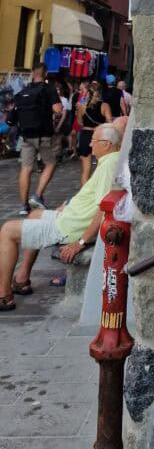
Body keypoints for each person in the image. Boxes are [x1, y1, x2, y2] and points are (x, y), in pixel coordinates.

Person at [0, 122, 121, 311]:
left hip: (69, 228)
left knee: (7, 230)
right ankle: (22, 278)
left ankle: (3, 294)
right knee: (35, 214)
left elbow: (103, 209)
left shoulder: (108, 165)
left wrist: (80, 243)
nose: (90, 145)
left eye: (94, 140)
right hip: (68, 219)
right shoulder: (110, 161)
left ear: (106, 143)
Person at [10, 63, 63, 217]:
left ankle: (23, 205)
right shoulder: (49, 89)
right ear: (45, 73)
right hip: (44, 134)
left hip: (26, 135)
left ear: (33, 73)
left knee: (26, 168)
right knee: (50, 163)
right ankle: (38, 195)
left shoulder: (23, 91)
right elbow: (57, 109)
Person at [76, 82, 112, 186]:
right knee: (100, 167)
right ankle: (98, 191)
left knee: (85, 169)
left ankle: (84, 194)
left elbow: (79, 123)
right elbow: (110, 122)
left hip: (85, 135)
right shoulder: (105, 106)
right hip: (99, 136)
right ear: (100, 92)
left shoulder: (82, 106)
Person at [70, 80, 89, 157]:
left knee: (81, 134)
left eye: (81, 83)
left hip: (83, 117)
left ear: (84, 85)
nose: (79, 85)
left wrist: (79, 105)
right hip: (77, 116)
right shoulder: (80, 93)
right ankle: (75, 151)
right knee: (73, 134)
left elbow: (85, 104)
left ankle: (81, 151)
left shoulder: (87, 94)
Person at [53, 81, 72, 159]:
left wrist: (59, 125)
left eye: (58, 90)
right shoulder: (52, 99)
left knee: (58, 139)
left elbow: (64, 115)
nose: (57, 91)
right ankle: (58, 154)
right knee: (55, 140)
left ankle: (58, 155)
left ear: (61, 90)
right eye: (56, 90)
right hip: (53, 121)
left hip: (61, 122)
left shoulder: (64, 100)